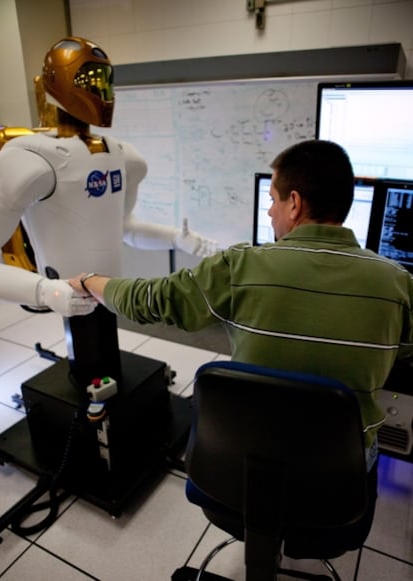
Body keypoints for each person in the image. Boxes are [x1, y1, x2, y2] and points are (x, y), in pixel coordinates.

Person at [70, 138, 413, 545]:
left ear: (294, 203)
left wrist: (90, 280)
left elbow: (151, 300)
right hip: (336, 497)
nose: (269, 211)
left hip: (232, 479)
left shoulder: (240, 266)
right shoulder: (398, 285)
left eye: (272, 199)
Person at [0, 37, 216, 315]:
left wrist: (175, 238)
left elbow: (124, 228)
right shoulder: (29, 159)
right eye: (89, 81)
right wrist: (43, 290)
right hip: (66, 291)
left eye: (104, 82)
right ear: (60, 83)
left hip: (109, 292)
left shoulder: (124, 157)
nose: (101, 92)